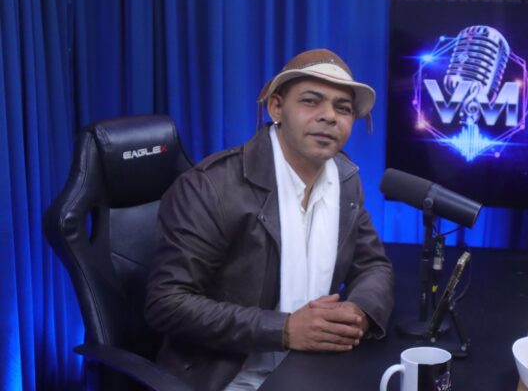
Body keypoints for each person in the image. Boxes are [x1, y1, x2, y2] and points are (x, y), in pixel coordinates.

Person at [145, 48, 394, 391]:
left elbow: (373, 265)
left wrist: (359, 312)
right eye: (311, 101)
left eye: (343, 108)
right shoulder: (212, 186)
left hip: (311, 368)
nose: (329, 116)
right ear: (276, 108)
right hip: (228, 377)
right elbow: (166, 302)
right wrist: (284, 329)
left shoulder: (345, 179)